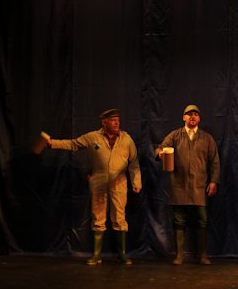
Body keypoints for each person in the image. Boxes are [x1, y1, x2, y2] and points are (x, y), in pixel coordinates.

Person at [46, 108, 142, 265]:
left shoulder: (126, 139)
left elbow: (134, 163)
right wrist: (52, 143)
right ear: (104, 122)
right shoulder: (93, 137)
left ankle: (122, 254)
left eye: (118, 120)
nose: (116, 123)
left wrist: (136, 182)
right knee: (98, 216)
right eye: (113, 120)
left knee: (119, 217)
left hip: (119, 181)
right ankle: (97, 255)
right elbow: (73, 144)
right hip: (98, 180)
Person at [155, 104, 220, 265]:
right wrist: (160, 153)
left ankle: (203, 255)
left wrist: (214, 181)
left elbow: (215, 162)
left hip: (199, 185)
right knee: (178, 220)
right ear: (183, 117)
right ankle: (179, 256)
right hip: (179, 184)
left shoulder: (207, 138)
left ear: (199, 118)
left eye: (195, 114)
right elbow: (161, 148)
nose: (192, 117)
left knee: (202, 220)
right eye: (189, 114)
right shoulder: (175, 135)